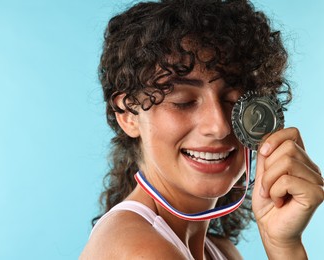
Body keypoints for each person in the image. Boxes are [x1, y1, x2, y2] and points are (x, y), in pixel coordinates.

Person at [80, 0, 323, 259]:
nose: (219, 126)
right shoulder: (141, 250)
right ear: (129, 114)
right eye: (183, 101)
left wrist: (284, 245)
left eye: (233, 99)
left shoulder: (221, 251)